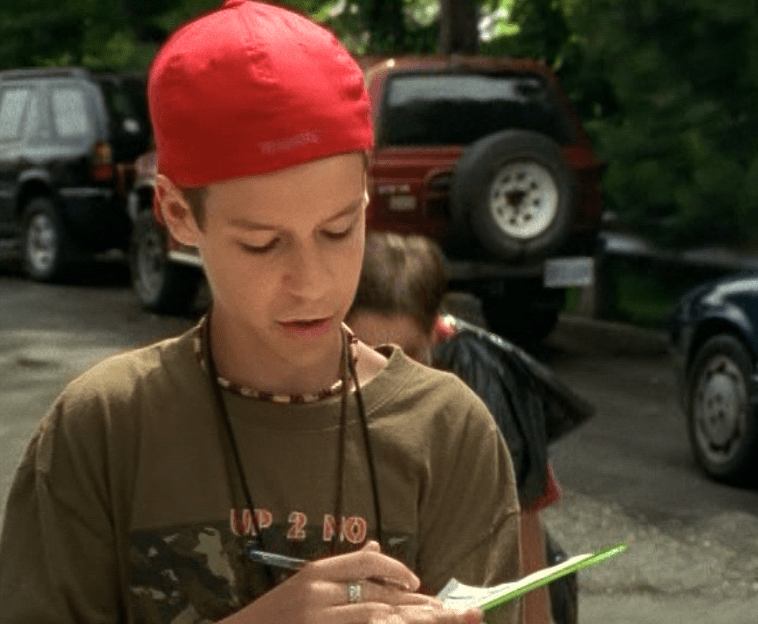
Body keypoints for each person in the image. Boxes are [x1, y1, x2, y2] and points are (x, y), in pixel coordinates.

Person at [0, 3, 521, 624]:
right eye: (262, 243)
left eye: (338, 230)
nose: (312, 283)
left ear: (366, 197)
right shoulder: (104, 428)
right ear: (177, 214)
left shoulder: (447, 432)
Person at [347, 231, 580, 624]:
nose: (389, 370)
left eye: (409, 352)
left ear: (436, 332)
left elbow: (524, 529)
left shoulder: (486, 390)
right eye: (370, 351)